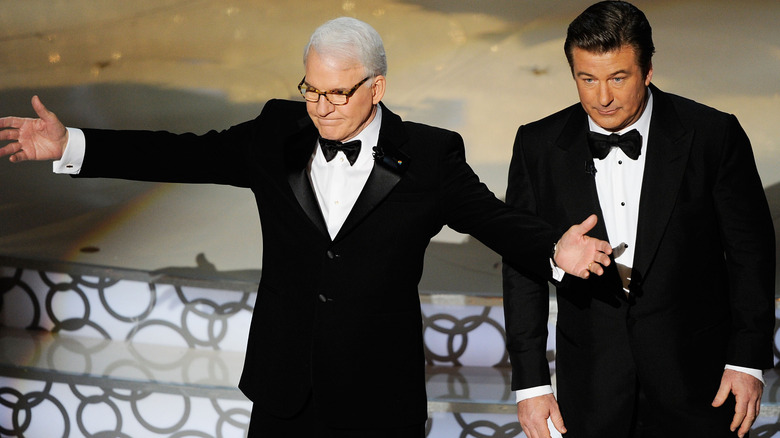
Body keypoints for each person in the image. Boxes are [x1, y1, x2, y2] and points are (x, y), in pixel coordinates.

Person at [0, 17, 612, 438]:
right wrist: (72, 143)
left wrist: (554, 247)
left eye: (338, 94)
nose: (321, 107)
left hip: (378, 399)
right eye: (310, 90)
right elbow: (186, 153)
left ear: (377, 88)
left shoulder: (430, 157)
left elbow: (495, 220)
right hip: (283, 386)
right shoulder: (278, 132)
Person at [502, 2, 776, 438]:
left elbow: (751, 254)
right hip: (589, 388)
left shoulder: (712, 134)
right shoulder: (537, 144)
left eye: (618, 78)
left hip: (700, 384)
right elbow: (521, 271)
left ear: (647, 71)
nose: (601, 97)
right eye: (586, 79)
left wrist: (747, 360)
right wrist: (531, 383)